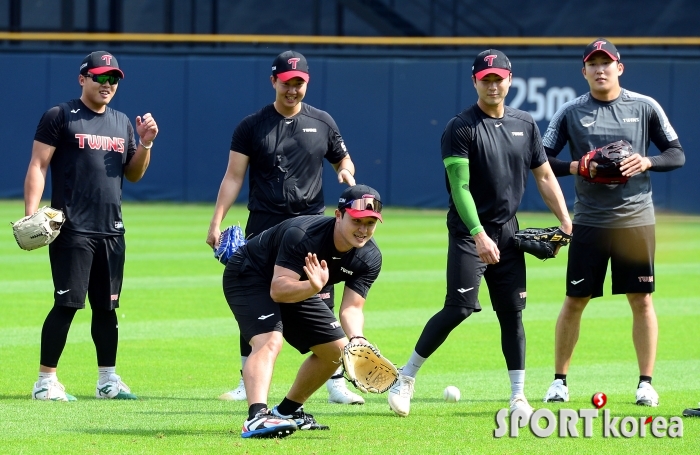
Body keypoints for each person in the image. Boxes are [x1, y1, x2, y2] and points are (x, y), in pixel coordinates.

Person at [387, 49, 572, 418]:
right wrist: (478, 234)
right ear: (475, 81)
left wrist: (566, 220)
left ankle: (518, 396)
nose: (492, 84)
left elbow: (545, 175)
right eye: (485, 78)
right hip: (469, 233)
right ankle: (405, 377)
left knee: (512, 314)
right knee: (458, 308)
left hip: (509, 233)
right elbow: (460, 187)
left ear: (509, 80)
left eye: (498, 77)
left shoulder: (525, 124)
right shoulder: (461, 126)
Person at [206, 50, 364, 405]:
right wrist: (216, 221)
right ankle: (248, 381)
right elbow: (233, 176)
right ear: (273, 81)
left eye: (299, 83)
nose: (293, 90)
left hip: (310, 229)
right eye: (287, 82)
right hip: (264, 227)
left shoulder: (322, 122)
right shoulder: (251, 126)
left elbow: (342, 157)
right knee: (256, 302)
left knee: (320, 295)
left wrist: (344, 170)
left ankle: (335, 381)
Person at [542, 39, 685, 407]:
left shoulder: (644, 106)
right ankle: (559, 382)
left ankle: (645, 383)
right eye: (594, 64)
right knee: (575, 301)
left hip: (636, 221)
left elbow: (676, 153)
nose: (601, 69)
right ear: (584, 71)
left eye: (608, 63)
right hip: (589, 221)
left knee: (642, 300)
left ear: (620, 68)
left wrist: (647, 161)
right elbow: (540, 157)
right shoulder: (571, 112)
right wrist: (575, 166)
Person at [24, 51, 158, 401]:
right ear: (82, 78)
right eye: (100, 77)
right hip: (72, 228)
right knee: (67, 304)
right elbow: (38, 164)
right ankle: (45, 381)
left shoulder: (122, 122)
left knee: (107, 307)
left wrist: (144, 143)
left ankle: (107, 381)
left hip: (111, 229)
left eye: (113, 78)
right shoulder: (60, 116)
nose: (107, 84)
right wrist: (31, 212)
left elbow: (134, 173)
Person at [224, 184, 383, 438]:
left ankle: (287, 412)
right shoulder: (303, 234)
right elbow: (277, 290)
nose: (363, 230)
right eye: (357, 221)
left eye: (370, 223)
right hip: (250, 274)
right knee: (269, 340)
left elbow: (352, 308)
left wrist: (358, 338)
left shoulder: (369, 258)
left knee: (337, 351)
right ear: (339, 215)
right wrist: (312, 286)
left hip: (302, 284)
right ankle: (256, 418)